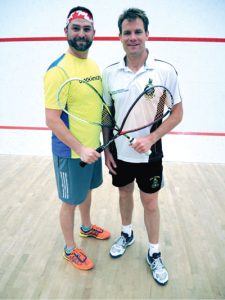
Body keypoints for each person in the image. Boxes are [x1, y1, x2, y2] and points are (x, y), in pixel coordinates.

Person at [102, 8, 183, 285]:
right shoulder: (110, 73)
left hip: (151, 155)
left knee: (150, 202)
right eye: (127, 32)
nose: (133, 37)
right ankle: (126, 233)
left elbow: (176, 113)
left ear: (147, 34)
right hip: (120, 155)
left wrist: (150, 139)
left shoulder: (164, 71)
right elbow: (106, 114)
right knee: (124, 193)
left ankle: (154, 251)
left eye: (138, 32)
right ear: (120, 37)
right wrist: (107, 148)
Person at [44, 6, 110, 271]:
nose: (81, 33)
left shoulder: (92, 65)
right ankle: (70, 249)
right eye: (76, 28)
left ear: (93, 33)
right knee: (69, 200)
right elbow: (51, 119)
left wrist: (95, 146)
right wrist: (80, 148)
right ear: (66, 32)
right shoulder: (57, 71)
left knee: (87, 191)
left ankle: (85, 227)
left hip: (91, 149)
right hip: (71, 153)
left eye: (86, 29)